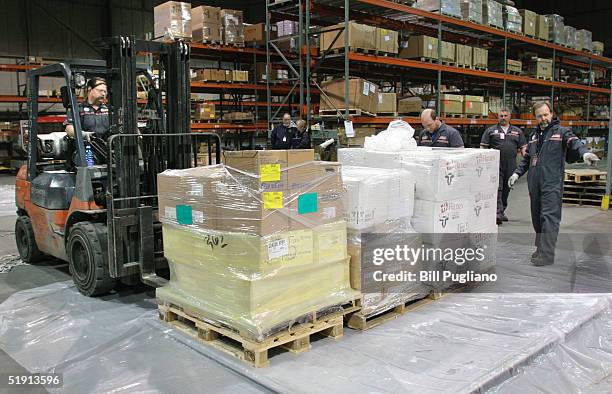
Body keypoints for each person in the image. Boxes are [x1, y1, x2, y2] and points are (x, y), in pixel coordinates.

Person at [508, 101, 599, 266]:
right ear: (535, 117)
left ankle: (547, 254)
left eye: (546, 114)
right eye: (539, 116)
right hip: (534, 182)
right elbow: (528, 158)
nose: (543, 118)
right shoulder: (534, 136)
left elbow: (574, 142)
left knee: (549, 218)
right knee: (537, 218)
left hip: (551, 182)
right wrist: (516, 173)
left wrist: (585, 153)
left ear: (551, 113)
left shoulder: (562, 132)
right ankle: (540, 248)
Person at [480, 108, 527, 225]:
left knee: (507, 187)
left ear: (510, 117)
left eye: (505, 115)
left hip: (511, 163)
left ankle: (502, 210)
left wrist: (527, 159)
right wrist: (484, 162)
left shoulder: (517, 131)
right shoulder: (490, 131)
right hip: (495, 164)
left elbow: (523, 147)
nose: (503, 117)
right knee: (498, 187)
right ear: (498, 117)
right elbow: (483, 147)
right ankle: (497, 212)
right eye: (501, 115)